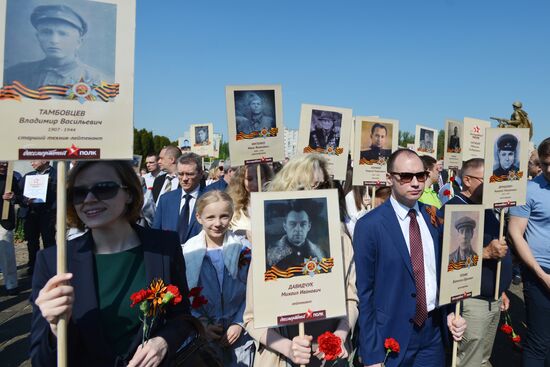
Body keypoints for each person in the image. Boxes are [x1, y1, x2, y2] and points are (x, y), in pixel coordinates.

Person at [30, 160, 197, 366]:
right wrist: (54, 330)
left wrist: (163, 341)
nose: (89, 199)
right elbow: (40, 360)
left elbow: (181, 317)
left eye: (103, 188)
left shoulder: (163, 246)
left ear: (129, 193)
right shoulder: (53, 261)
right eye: (79, 192)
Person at [354, 149, 466, 366]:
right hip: (391, 335)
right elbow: (365, 293)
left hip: (433, 334)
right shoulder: (369, 226)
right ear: (389, 178)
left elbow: (442, 272)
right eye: (406, 176)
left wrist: (451, 313)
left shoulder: (434, 216)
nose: (415, 183)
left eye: (421, 175)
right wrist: (372, 353)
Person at [244, 154, 358, 367]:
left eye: (322, 184)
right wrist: (288, 347)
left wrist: (339, 336)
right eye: (305, 187)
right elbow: (251, 319)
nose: (315, 193)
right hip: (281, 359)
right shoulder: (266, 246)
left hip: (329, 358)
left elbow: (351, 301)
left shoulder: (340, 240)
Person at [439, 158, 511, 367]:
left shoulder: (486, 208)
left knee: (483, 358)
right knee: (469, 359)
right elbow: (450, 258)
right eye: (485, 179)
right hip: (472, 300)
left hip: (493, 297)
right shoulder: (453, 209)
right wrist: (486, 253)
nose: (492, 183)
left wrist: (502, 289)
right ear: (468, 180)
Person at [182, 190, 254, 366]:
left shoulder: (243, 250)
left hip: (240, 337)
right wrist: (201, 324)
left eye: (224, 216)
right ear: (199, 217)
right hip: (204, 335)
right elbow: (184, 295)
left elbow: (253, 290)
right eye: (210, 217)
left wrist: (240, 323)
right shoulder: (188, 252)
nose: (217, 223)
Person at [508, 137, 550, 366]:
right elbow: (515, 233)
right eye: (545, 164)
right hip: (539, 272)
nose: (549, 169)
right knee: (539, 340)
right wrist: (542, 275)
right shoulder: (528, 190)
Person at [4, 5, 110, 89]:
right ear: (38, 37)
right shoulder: (13, 73)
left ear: (79, 42)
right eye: (46, 32)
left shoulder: (97, 81)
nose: (54, 41)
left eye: (63, 34)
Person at [153, 153, 205, 245]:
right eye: (180, 174)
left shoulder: (209, 200)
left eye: (189, 174)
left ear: (201, 174)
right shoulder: (165, 200)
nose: (184, 178)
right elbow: (156, 234)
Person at [19, 160, 57, 275]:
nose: (31, 163)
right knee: (31, 241)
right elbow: (19, 193)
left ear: (45, 160)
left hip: (48, 213)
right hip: (31, 213)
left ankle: (51, 266)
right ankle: (33, 266)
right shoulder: (28, 176)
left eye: (34, 160)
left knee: (49, 240)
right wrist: (25, 200)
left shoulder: (57, 175)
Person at [266, 201, 327, 271]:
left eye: (303, 224)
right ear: (285, 226)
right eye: (292, 224)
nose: (298, 229)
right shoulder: (270, 254)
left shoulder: (320, 254)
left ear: (309, 226)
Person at [227, 163, 273, 239]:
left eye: (260, 177)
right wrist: (244, 233)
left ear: (267, 178)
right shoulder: (232, 206)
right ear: (242, 181)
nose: (255, 183)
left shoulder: (276, 205)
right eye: (249, 179)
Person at [0, 161, 21, 295]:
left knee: (7, 253)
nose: (3, 165)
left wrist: (14, 197)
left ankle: (11, 284)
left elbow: (20, 196)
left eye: (5, 163)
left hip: (4, 220)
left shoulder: (11, 178)